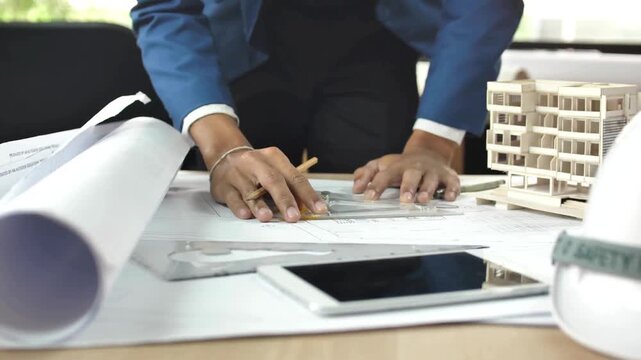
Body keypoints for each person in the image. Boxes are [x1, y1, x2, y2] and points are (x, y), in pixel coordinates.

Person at [131, 0, 523, 223]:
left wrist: (433, 145)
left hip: (376, 39)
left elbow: (484, 5)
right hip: (243, 44)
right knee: (243, 201)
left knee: (381, 208)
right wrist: (221, 148)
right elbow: (168, 8)